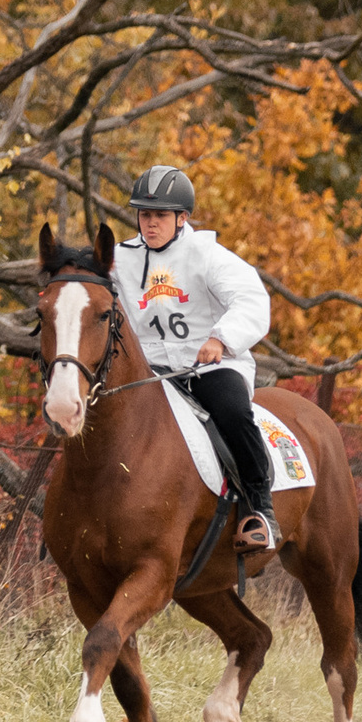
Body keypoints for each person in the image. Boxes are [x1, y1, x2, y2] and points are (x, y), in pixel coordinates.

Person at [114, 164, 278, 550]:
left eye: (159, 216)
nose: (150, 224)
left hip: (208, 365)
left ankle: (261, 510)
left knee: (233, 412)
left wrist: (221, 340)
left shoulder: (208, 255)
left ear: (182, 218)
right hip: (150, 373)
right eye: (144, 215)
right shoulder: (121, 259)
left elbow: (253, 300)